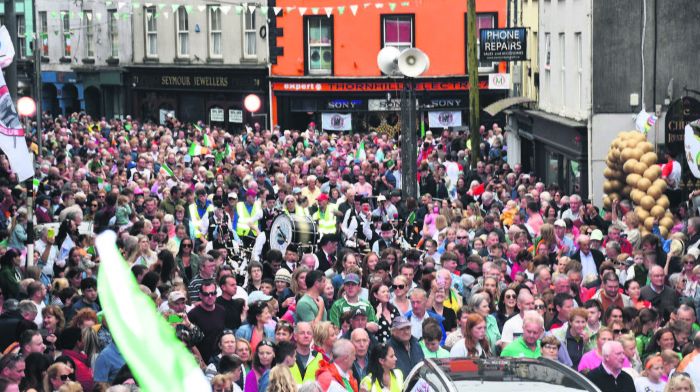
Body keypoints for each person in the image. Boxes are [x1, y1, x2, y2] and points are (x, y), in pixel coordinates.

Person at [187, 279, 227, 362]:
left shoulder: (222, 310)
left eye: (213, 293)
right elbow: (180, 318)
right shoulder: (193, 313)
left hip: (219, 359)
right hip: (201, 360)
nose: (210, 296)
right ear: (200, 295)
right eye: (206, 294)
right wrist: (169, 317)